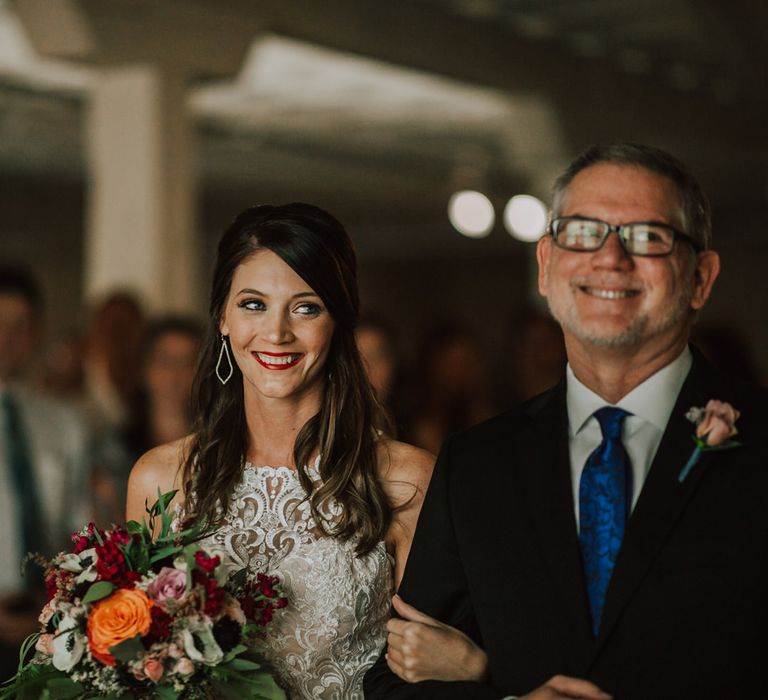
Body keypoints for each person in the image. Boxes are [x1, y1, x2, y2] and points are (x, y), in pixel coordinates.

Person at [364, 143, 768, 699]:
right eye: (582, 232)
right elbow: (392, 685)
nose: (610, 258)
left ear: (701, 277)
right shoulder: (478, 463)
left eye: (647, 237)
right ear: (547, 265)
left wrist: (487, 672)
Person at [126, 203, 434, 699]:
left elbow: (429, 676)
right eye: (253, 304)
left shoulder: (406, 479)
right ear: (222, 317)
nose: (277, 333)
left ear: (338, 322)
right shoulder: (160, 479)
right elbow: (143, 672)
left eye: (306, 307)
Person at [0, 267, 90, 682]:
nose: (7, 338)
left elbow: (78, 525)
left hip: (49, 623)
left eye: (20, 326)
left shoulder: (64, 422)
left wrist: (58, 600)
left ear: (36, 333)